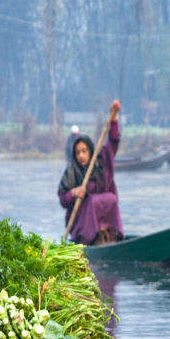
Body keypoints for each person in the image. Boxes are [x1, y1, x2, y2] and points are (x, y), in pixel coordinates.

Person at [58, 100, 123, 245]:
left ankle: (110, 235)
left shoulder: (101, 162)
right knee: (92, 201)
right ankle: (91, 239)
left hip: (106, 219)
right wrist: (74, 192)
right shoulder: (71, 172)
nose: (81, 155)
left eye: (84, 151)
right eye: (78, 152)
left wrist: (114, 118)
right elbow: (63, 199)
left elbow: (113, 141)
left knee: (110, 198)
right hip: (82, 224)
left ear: (90, 151)